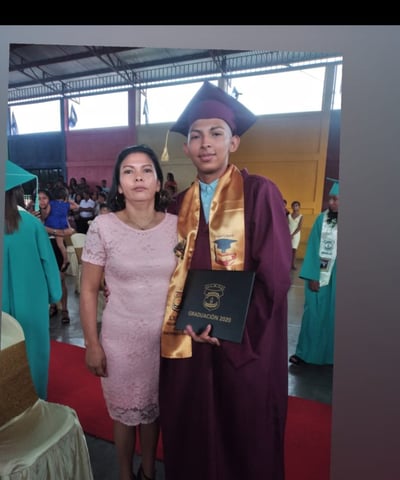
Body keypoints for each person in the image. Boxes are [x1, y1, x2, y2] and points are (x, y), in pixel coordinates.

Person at [159, 81, 292, 480]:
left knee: (244, 429)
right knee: (193, 425)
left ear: (233, 141)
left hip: (245, 342)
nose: (205, 143)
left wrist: (233, 328)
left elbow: (275, 274)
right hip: (188, 340)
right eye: (196, 135)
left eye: (216, 133)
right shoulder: (174, 205)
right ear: (185, 147)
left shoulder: (259, 192)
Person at [79, 144, 178, 480]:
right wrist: (92, 344)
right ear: (119, 185)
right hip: (119, 341)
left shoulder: (179, 227)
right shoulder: (102, 228)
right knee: (124, 416)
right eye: (128, 171)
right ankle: (124, 474)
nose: (138, 176)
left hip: (166, 340)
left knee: (153, 413)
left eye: (146, 170)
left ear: (158, 182)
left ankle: (149, 473)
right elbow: (89, 289)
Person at [2, 161, 62, 399]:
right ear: (16, 192)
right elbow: (49, 263)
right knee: (33, 351)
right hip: (32, 302)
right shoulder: (32, 225)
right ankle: (34, 402)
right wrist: (54, 295)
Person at [289, 180, 339, 366]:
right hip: (322, 275)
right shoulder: (321, 220)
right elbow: (312, 249)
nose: (331, 203)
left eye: (336, 199)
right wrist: (312, 276)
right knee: (314, 312)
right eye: (330, 199)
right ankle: (306, 353)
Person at [37, 188, 76, 324]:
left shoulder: (56, 210)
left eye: (44, 198)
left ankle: (64, 309)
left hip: (56, 247)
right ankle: (53, 306)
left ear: (50, 200)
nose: (41, 201)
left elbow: (69, 231)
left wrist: (56, 231)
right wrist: (55, 231)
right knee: (46, 280)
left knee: (60, 279)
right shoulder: (34, 214)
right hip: (41, 247)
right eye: (39, 198)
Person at [43, 185, 77, 272]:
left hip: (51, 224)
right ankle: (65, 260)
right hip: (62, 225)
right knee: (61, 245)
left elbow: (46, 213)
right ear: (65, 196)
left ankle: (64, 260)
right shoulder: (66, 205)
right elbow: (77, 206)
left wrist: (45, 217)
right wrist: (68, 200)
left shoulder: (51, 203)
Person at [288, 200, 303, 270]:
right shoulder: (288, 216)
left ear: (299, 207)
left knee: (294, 250)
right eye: (293, 205)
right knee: (287, 249)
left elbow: (299, 227)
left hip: (296, 235)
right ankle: (287, 263)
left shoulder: (301, 216)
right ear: (291, 207)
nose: (295, 207)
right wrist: (288, 234)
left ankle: (292, 265)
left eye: (296, 205)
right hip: (288, 234)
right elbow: (286, 225)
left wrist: (292, 235)